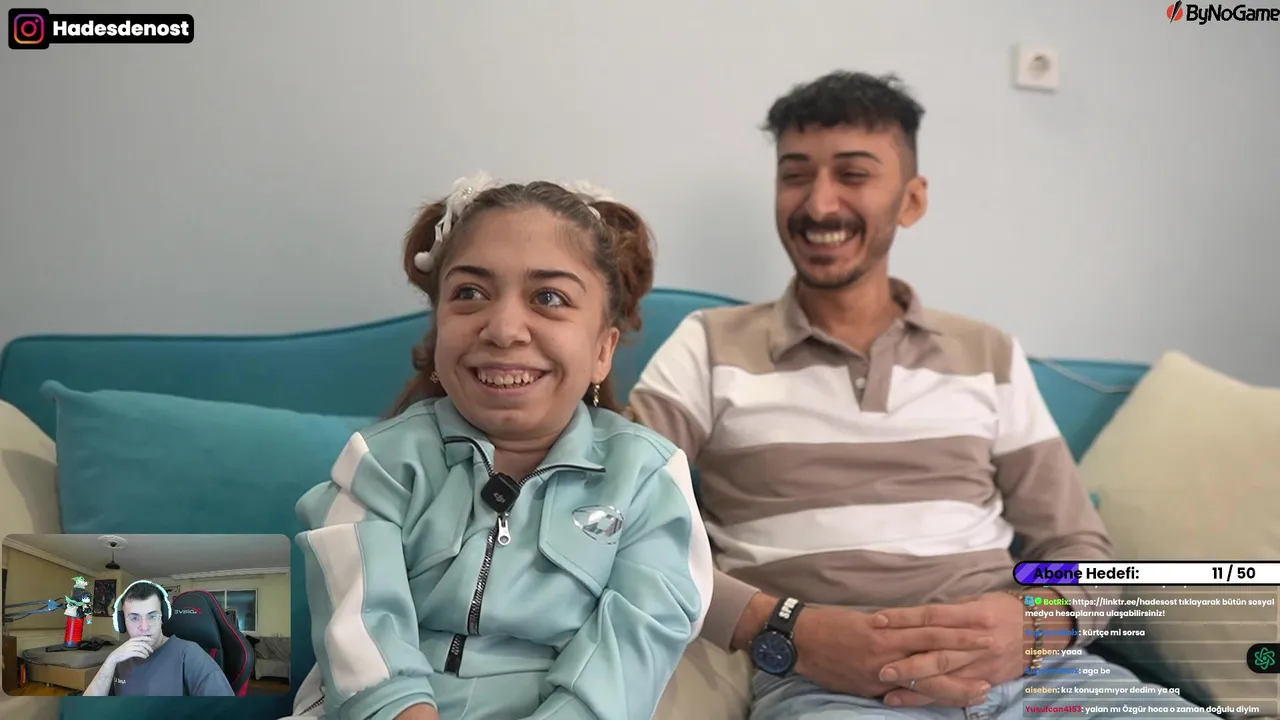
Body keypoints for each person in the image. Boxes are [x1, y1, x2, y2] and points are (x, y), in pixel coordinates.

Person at [629, 71, 1215, 719]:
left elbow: (1079, 548)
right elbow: (624, 524)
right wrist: (788, 630)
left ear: (911, 201)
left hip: (1037, 675)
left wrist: (1031, 624)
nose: (818, 204)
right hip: (825, 685)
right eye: (795, 175)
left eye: (853, 174)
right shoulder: (707, 344)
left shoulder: (988, 353)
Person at [285, 175, 713, 720]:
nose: (505, 329)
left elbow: (631, 657)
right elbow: (360, 631)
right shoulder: (377, 464)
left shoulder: (648, 478)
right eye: (470, 294)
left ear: (603, 351)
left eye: (549, 298)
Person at [83, 579, 234, 697]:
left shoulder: (190, 654)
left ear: (163, 617)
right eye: (134, 618)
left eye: (152, 616)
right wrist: (110, 661)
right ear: (122, 623)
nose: (144, 627)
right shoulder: (119, 658)